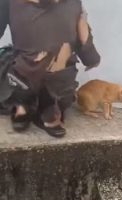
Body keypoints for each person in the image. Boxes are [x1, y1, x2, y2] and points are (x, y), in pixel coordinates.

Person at [0, 0, 100, 137]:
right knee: (22, 76)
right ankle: (22, 103)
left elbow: (84, 39)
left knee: (58, 78)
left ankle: (46, 107)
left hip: (59, 79)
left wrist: (88, 51)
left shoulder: (73, 3)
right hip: (23, 73)